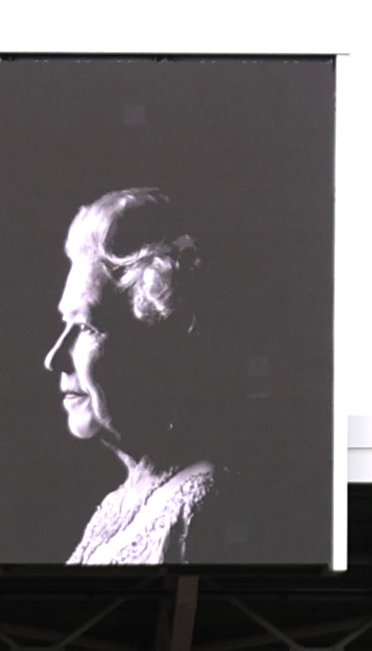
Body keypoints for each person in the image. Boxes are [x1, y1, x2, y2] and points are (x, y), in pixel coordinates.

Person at [46, 186, 237, 567]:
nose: (53, 359)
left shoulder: (201, 501)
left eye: (86, 327)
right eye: (65, 323)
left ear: (156, 344)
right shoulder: (117, 504)